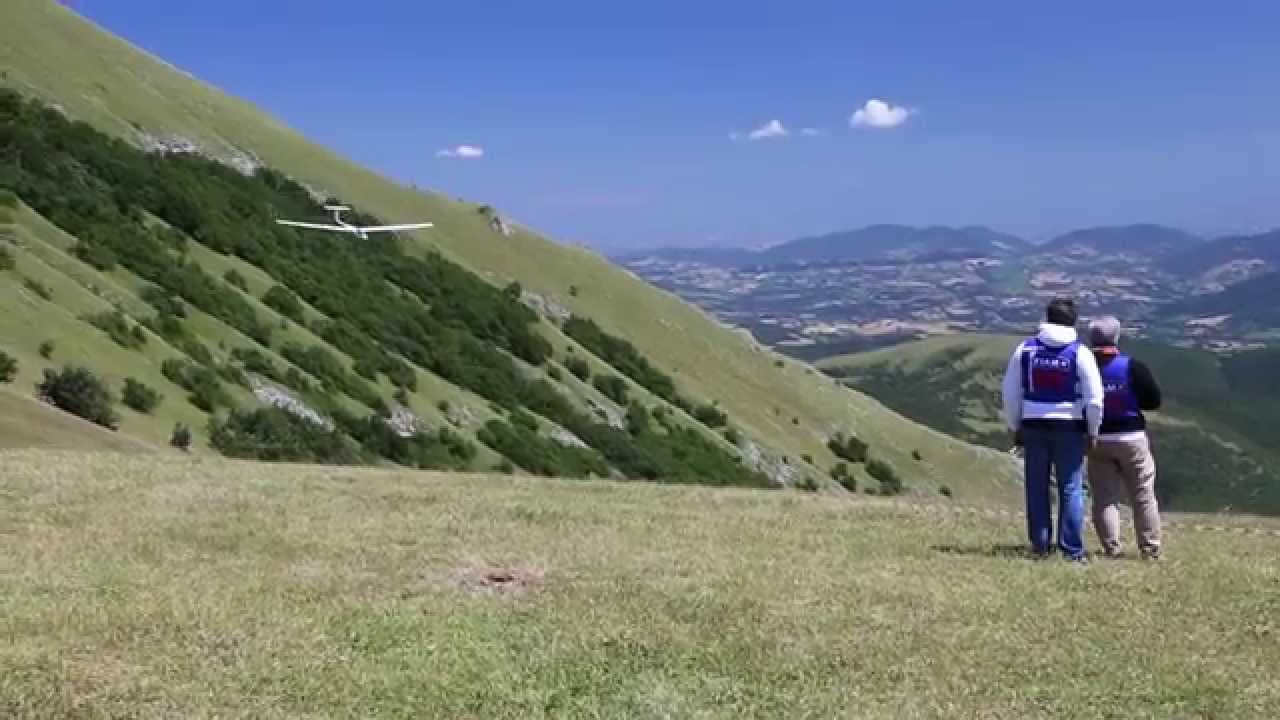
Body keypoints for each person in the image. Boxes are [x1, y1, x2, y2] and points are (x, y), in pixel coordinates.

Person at [1001, 297, 1104, 562]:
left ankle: (1040, 545)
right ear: (1073, 322)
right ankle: (1071, 549)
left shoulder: (1025, 350)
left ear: (1046, 318)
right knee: (1070, 486)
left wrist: (1015, 425)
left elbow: (1011, 393)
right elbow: (1094, 398)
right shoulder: (1080, 352)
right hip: (1070, 427)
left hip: (1034, 425)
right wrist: (1093, 431)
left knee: (1036, 485)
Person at [1086, 316, 1163, 560]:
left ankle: (1111, 548)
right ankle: (1150, 549)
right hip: (1131, 437)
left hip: (1097, 439)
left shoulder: (1083, 366)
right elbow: (1153, 401)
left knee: (1104, 497)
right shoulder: (1132, 367)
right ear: (1117, 337)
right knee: (1143, 495)